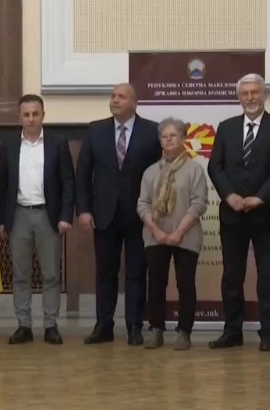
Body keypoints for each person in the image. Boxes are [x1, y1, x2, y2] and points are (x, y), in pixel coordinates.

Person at [207, 73, 270, 352]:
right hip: (232, 214)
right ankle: (232, 331)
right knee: (232, 276)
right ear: (239, 98)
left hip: (267, 214)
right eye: (245, 93)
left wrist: (260, 197)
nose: (250, 98)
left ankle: (268, 332)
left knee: (268, 275)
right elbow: (215, 166)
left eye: (255, 92)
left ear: (264, 95)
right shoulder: (226, 127)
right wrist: (229, 196)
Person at [76, 83, 161, 346]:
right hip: (104, 213)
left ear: (134, 103)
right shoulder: (96, 130)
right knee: (105, 273)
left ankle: (135, 326)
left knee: (136, 272)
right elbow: (83, 173)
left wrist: (156, 210)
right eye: (112, 96)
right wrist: (84, 210)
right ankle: (104, 326)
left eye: (121, 97)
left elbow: (160, 173)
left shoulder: (151, 131)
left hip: (140, 214)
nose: (115, 100)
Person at [0, 94, 74, 345]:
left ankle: (51, 325)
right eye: (26, 114)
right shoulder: (9, 144)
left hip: (48, 216)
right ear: (19, 117)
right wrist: (1, 220)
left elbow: (68, 181)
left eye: (35, 114)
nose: (31, 119)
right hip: (18, 215)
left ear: (43, 115)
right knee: (20, 275)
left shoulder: (57, 143)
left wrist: (65, 216)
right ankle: (24, 325)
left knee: (51, 274)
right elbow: (1, 184)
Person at [137, 118, 208, 351]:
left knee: (185, 284)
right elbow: (142, 204)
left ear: (183, 139)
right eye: (164, 136)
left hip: (186, 236)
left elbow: (199, 204)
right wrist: (157, 231)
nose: (168, 140)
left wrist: (178, 232)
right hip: (154, 236)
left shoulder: (194, 169)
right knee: (156, 283)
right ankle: (156, 329)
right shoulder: (150, 171)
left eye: (173, 135)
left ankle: (184, 332)